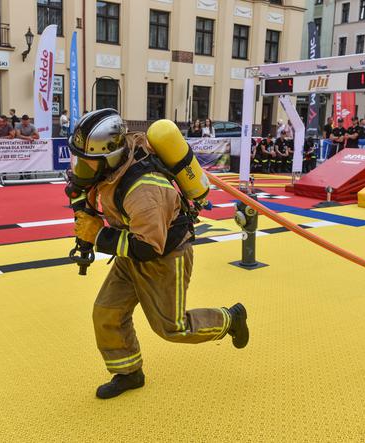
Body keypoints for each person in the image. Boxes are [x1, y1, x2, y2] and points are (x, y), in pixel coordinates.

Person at [67, 108, 249, 399]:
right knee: (107, 311)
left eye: (88, 164)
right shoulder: (111, 165)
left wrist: (96, 235)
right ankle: (128, 372)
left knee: (172, 328)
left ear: (110, 156)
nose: (82, 170)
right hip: (131, 247)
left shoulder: (144, 190)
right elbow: (78, 188)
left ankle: (230, 319)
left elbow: (148, 248)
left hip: (165, 256)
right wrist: (81, 205)